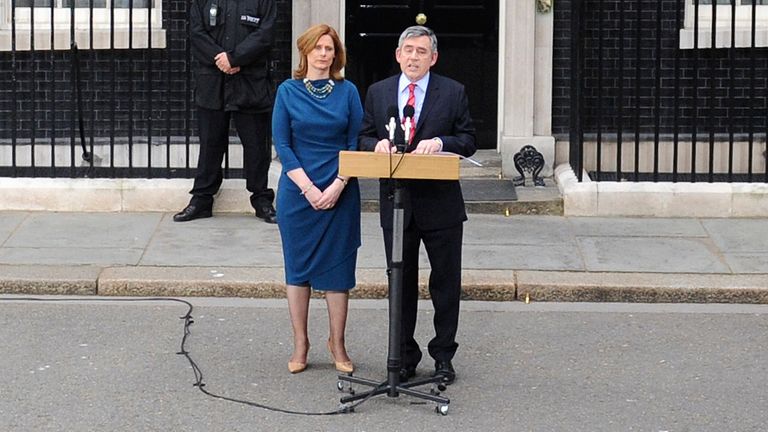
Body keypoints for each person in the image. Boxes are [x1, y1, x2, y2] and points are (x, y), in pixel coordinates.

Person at [358, 26, 476, 385]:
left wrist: (441, 142)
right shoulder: (378, 92)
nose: (413, 57)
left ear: (433, 58)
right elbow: (363, 135)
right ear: (397, 55)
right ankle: (404, 357)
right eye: (408, 50)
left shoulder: (453, 92)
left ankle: (443, 357)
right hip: (397, 203)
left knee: (444, 284)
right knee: (400, 282)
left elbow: (468, 140)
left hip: (440, 205)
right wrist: (375, 145)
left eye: (421, 51)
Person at [272, 24, 363, 374]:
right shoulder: (287, 91)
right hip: (298, 192)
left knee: (338, 271)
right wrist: (308, 188)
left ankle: (337, 343)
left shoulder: (348, 91)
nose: (324, 54)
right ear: (306, 52)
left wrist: (339, 184)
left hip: (340, 188)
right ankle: (301, 343)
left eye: (330, 48)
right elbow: (283, 145)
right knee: (298, 270)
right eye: (318, 48)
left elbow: (355, 142)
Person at [174, 0, 277, 223]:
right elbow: (197, 32)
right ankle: (202, 199)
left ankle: (261, 199)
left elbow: (265, 34)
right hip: (213, 82)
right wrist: (221, 59)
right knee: (210, 143)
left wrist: (235, 57)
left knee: (256, 145)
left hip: (250, 82)